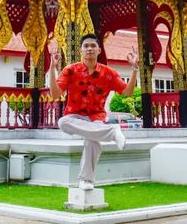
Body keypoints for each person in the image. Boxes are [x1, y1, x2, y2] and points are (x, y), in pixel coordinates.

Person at [49, 33, 139, 190]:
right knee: (62, 122)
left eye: (93, 46)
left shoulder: (108, 73)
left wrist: (134, 68)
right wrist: (52, 68)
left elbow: (128, 92)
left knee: (92, 140)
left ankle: (86, 180)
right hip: (75, 116)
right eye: (86, 46)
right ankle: (112, 131)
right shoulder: (71, 70)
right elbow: (55, 94)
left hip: (96, 116)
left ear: (99, 51)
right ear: (81, 51)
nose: (89, 48)